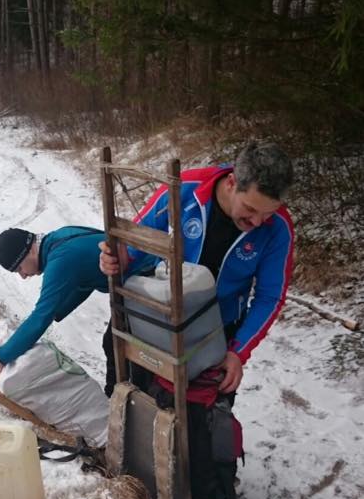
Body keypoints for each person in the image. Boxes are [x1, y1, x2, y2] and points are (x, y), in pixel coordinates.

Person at [99, 141, 294, 396]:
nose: (258, 222)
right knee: (128, 389)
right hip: (160, 312)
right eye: (250, 209)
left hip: (216, 331)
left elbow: (270, 297)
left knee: (199, 419)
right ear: (232, 182)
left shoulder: (278, 228)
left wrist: (238, 352)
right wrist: (117, 259)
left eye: (267, 213)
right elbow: (133, 245)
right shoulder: (184, 190)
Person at [0, 225, 109, 390]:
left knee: (117, 347)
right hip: (138, 277)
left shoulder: (60, 259)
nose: (22, 276)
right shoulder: (61, 236)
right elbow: (85, 279)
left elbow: (40, 317)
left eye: (19, 268)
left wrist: (0, 360)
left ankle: (123, 405)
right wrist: (60, 309)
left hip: (143, 278)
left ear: (29, 251)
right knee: (113, 343)